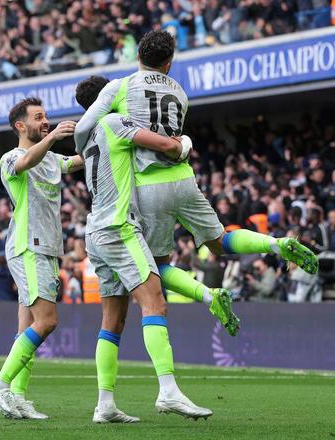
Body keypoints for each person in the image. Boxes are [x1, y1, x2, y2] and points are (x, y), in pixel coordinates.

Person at [74, 29, 317, 326]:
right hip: (184, 178)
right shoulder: (180, 93)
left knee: (155, 267)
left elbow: (85, 127)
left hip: (148, 185)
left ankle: (206, 298)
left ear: (137, 56)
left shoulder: (121, 87)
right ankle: (275, 244)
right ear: (169, 63)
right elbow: (172, 135)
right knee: (220, 241)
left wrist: (84, 148)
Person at [75, 76, 211, 422]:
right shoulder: (114, 121)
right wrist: (184, 143)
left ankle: (105, 404)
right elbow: (163, 144)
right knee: (155, 302)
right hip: (119, 227)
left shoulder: (87, 135)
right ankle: (168, 391)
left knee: (113, 320)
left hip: (96, 230)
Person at [0, 97, 83, 420]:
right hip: (28, 246)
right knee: (47, 321)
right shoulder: (11, 158)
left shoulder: (51, 159)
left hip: (48, 248)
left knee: (27, 327)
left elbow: (76, 162)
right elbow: (26, 162)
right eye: (38, 117)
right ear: (20, 126)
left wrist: (104, 140)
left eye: (46, 116)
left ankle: (17, 396)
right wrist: (53, 137)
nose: (45, 121)